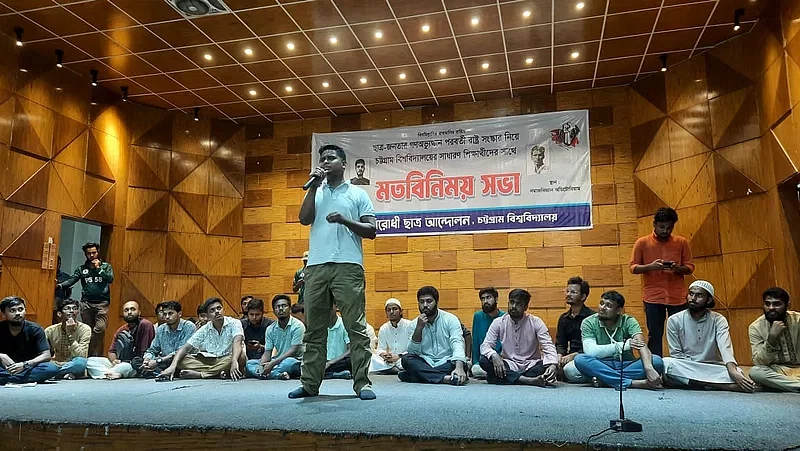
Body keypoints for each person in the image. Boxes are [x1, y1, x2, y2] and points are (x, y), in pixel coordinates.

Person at [290, 144, 377, 401]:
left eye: (331, 158)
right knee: (314, 329)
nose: (325, 162)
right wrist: (313, 186)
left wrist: (345, 221)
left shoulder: (357, 193)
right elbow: (304, 219)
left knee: (355, 327)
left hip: (348, 266)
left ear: (343, 163)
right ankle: (309, 385)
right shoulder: (315, 191)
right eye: (322, 159)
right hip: (316, 267)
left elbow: (371, 230)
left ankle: (362, 383)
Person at [662, 281, 755, 392]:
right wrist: (694, 367)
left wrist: (733, 371)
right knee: (667, 364)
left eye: (699, 295)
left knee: (737, 372)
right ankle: (721, 385)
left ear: (709, 299)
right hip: (687, 365)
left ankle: (696, 383)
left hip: (711, 366)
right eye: (691, 294)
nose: (693, 298)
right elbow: (676, 354)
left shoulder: (718, 320)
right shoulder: (674, 320)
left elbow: (725, 348)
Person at [630, 207, 694, 356]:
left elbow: (690, 267)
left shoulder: (681, 242)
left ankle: (681, 365)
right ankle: (655, 367)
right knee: (655, 334)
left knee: (681, 333)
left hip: (677, 297)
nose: (665, 231)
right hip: (653, 297)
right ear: (654, 224)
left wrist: (676, 268)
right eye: (662, 227)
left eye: (669, 228)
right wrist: (651, 266)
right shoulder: (642, 243)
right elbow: (633, 267)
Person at [574, 290, 664, 390]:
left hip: (625, 363)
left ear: (618, 310)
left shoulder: (629, 321)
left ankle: (606, 380)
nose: (602, 308)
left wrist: (648, 367)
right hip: (601, 364)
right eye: (601, 303)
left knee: (657, 361)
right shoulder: (589, 322)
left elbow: (641, 345)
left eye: (608, 306)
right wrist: (624, 345)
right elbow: (590, 352)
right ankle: (632, 383)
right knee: (580, 359)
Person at [479, 289, 558, 386]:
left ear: (525, 307)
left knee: (546, 366)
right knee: (484, 360)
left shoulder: (536, 322)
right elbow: (485, 346)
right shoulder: (499, 322)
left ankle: (508, 378)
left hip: (531, 365)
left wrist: (553, 364)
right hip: (509, 364)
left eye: (519, 304)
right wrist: (494, 355)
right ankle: (528, 380)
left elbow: (548, 345)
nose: (513, 306)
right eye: (512, 302)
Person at [160, 297, 246, 380]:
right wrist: (172, 367)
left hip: (228, 358)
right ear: (208, 316)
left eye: (219, 308)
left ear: (224, 310)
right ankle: (218, 373)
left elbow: (237, 341)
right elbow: (185, 348)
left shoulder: (234, 323)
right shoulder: (205, 329)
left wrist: (234, 361)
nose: (217, 312)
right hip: (210, 360)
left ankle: (202, 374)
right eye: (212, 310)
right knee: (181, 359)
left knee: (240, 356)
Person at [399, 286, 468, 385]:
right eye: (421, 302)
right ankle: (445, 378)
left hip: (446, 361)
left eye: (429, 301)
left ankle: (420, 376)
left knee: (461, 364)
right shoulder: (414, 324)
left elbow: (457, 343)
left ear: (436, 302)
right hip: (425, 361)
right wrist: (419, 329)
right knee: (406, 360)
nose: (425, 305)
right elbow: (413, 352)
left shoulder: (450, 319)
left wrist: (459, 368)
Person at [55, 242, 114, 356]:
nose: (92, 255)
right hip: (86, 303)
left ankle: (91, 353)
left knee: (99, 329)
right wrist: (60, 286)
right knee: (87, 329)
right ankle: (87, 354)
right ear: (85, 254)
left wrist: (98, 268)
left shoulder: (106, 266)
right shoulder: (82, 269)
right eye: (89, 253)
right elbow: (72, 280)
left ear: (98, 252)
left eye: (94, 252)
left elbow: (110, 279)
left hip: (102, 303)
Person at [86, 301, 155, 380]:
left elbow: (144, 352)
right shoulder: (121, 330)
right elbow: (111, 351)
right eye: (126, 310)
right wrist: (114, 361)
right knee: (90, 361)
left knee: (123, 367)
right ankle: (113, 373)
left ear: (139, 312)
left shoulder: (145, 325)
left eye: (133, 309)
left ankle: (110, 373)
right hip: (120, 363)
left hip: (135, 364)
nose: (129, 312)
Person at [748, 287, 800, 392]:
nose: (771, 308)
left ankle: (779, 384)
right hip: (778, 370)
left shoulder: (798, 321)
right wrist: (771, 339)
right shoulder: (755, 327)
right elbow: (759, 362)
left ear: (787, 306)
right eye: (767, 304)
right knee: (756, 372)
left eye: (777, 304)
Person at [0, 296, 59, 385]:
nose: (18, 313)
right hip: (5, 367)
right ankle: (20, 379)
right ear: (4, 314)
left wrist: (25, 364)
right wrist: (1, 356)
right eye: (12, 311)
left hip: (28, 367)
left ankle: (7, 379)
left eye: (20, 309)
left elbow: (46, 355)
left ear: (25, 310)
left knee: (51, 368)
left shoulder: (35, 329)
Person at [247, 295, 305, 380]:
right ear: (274, 311)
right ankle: (277, 375)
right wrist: (262, 365)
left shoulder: (298, 326)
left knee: (288, 363)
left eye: (284, 306)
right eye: (277, 307)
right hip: (277, 360)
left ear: (289, 309)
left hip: (296, 360)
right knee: (250, 363)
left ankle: (267, 374)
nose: (281, 309)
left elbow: (293, 351)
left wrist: (272, 364)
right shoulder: (270, 329)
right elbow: (267, 352)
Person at [141, 300, 196, 378]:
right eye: (164, 314)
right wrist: (147, 359)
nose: (166, 317)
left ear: (179, 314)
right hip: (164, 362)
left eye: (170, 313)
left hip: (182, 361)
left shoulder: (189, 327)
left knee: (183, 363)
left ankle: (159, 373)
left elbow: (181, 352)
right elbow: (152, 350)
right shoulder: (161, 329)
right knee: (136, 361)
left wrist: (158, 361)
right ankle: (160, 372)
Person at [555, 276, 594, 383]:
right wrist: (559, 355)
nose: (568, 294)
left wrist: (575, 355)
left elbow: (595, 346)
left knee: (569, 371)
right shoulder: (563, 318)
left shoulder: (592, 318)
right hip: (569, 356)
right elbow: (560, 343)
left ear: (583, 296)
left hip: (587, 356)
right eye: (567, 291)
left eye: (573, 292)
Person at [45, 298, 91, 380]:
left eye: (75, 308)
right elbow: (43, 352)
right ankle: (65, 373)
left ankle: (55, 373)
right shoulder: (50, 330)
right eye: (67, 308)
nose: (72, 311)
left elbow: (82, 355)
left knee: (81, 363)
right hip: (57, 363)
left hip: (74, 363)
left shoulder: (85, 329)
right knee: (43, 365)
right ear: (59, 314)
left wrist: (70, 334)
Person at [371, 298, 414, 374]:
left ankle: (392, 370)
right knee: (372, 357)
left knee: (410, 361)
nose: (391, 312)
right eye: (388, 310)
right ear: (386, 313)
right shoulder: (383, 328)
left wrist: (399, 356)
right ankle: (395, 370)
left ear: (401, 311)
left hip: (404, 358)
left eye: (394, 309)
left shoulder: (410, 325)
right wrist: (384, 355)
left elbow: (413, 348)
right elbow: (380, 349)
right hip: (389, 360)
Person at [470, 287, 505, 378]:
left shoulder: (505, 318)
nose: (485, 301)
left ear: (496, 299)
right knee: (475, 369)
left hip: (500, 359)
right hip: (484, 360)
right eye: (483, 299)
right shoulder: (477, 316)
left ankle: (496, 374)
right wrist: (475, 362)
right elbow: (476, 342)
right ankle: (496, 374)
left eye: (488, 297)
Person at [323, 307, 352, 379]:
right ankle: (335, 374)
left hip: (339, 361)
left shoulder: (345, 324)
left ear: (336, 307)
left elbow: (350, 349)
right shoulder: (319, 325)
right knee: (303, 365)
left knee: (352, 361)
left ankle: (323, 374)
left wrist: (331, 362)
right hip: (322, 362)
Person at [53, 255, 72, 324]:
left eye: (58, 263)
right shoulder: (45, 275)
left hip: (60, 304)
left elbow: (68, 293)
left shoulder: (66, 277)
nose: (57, 265)